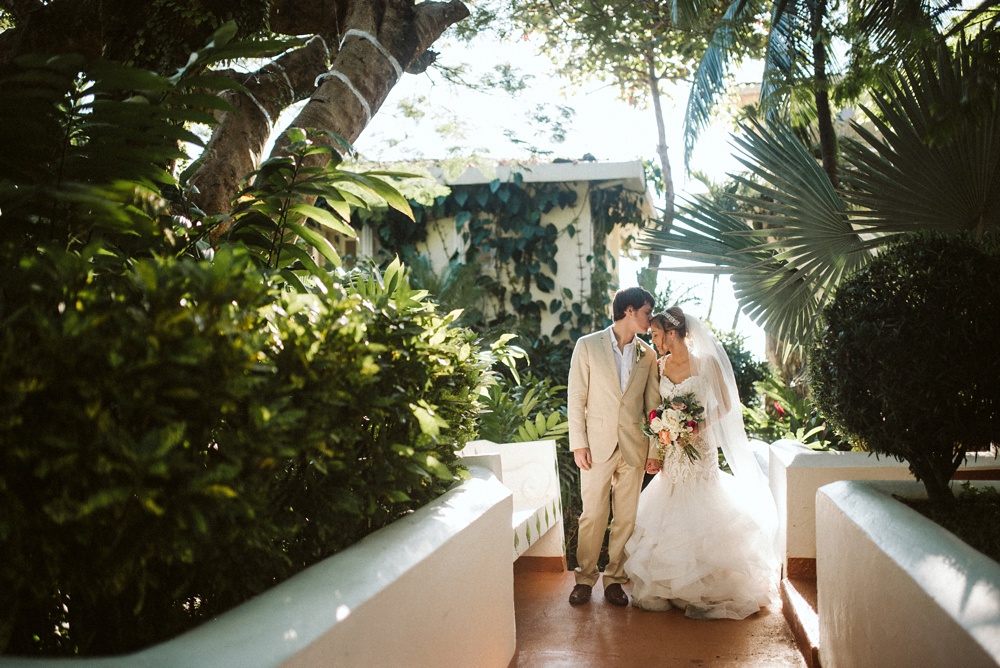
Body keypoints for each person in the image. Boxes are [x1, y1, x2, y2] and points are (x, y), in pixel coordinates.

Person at [624, 307, 778, 619]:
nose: (653, 342)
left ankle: (703, 587)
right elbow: (654, 407)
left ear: (672, 333)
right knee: (672, 505)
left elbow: (725, 404)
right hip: (673, 450)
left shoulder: (706, 363)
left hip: (700, 446)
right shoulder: (660, 365)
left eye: (656, 335)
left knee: (701, 501)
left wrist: (696, 427)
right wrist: (665, 431)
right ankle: (670, 586)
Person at [567, 286, 661, 607]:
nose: (651, 320)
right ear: (630, 311)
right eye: (647, 312)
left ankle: (615, 580)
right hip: (596, 446)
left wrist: (655, 452)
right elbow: (576, 398)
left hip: (634, 447)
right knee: (592, 515)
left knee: (626, 517)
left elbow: (653, 406)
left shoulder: (648, 355)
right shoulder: (588, 346)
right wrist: (578, 443)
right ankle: (584, 578)